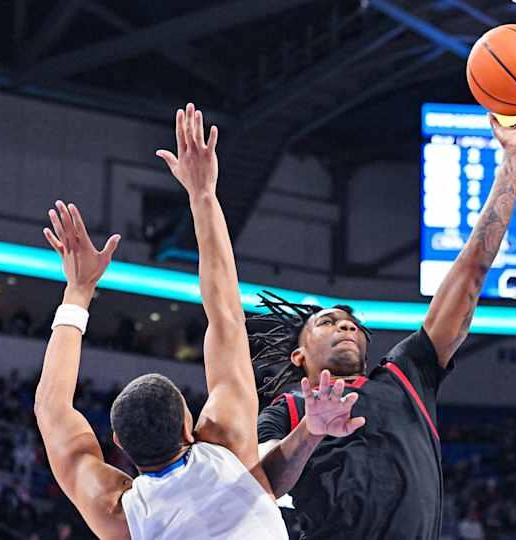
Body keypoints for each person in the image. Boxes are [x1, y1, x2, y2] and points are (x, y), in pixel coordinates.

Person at [34, 104, 359, 539]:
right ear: (190, 424)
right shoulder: (224, 442)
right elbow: (225, 313)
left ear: (118, 443)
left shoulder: (117, 515)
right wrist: (202, 194)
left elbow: (51, 410)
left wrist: (76, 294)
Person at [255, 93, 516, 539]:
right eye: (326, 321)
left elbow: (471, 271)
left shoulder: (406, 375)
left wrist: (514, 158)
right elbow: (256, 488)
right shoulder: (286, 412)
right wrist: (310, 433)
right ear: (299, 356)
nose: (344, 325)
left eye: (351, 323)